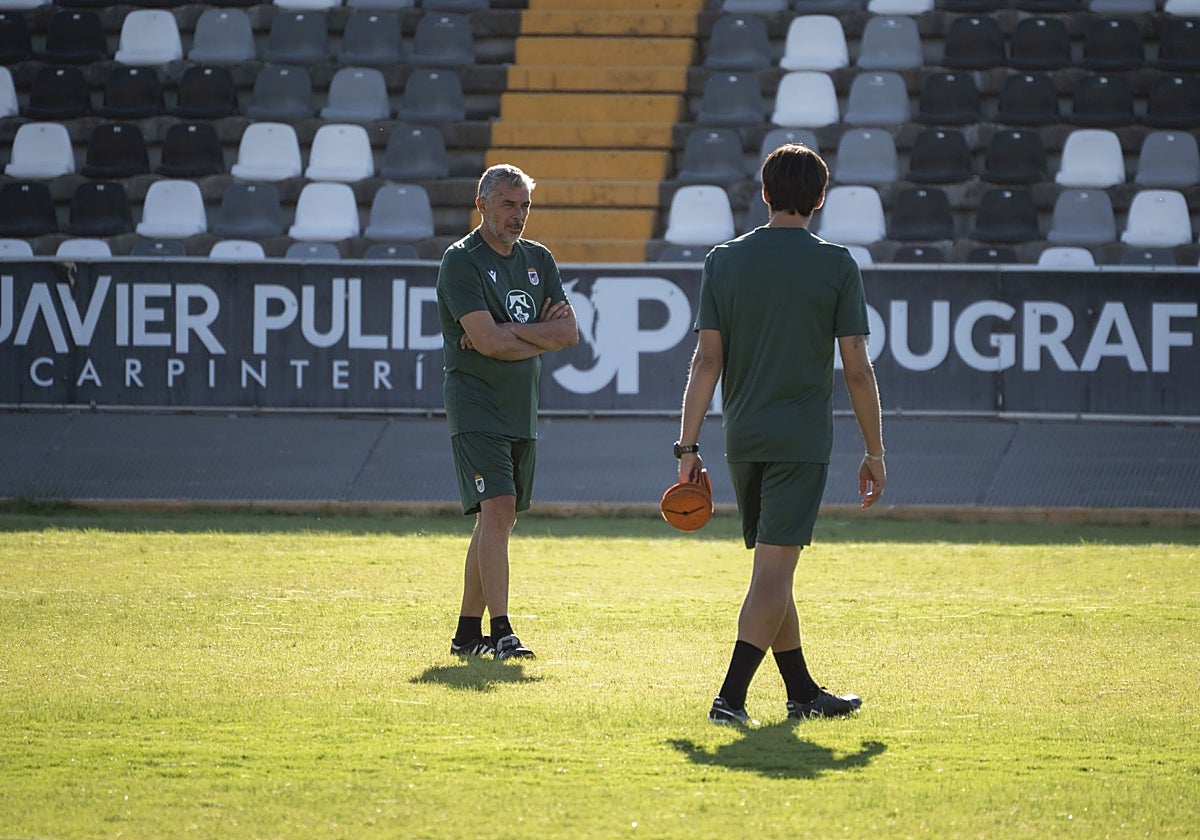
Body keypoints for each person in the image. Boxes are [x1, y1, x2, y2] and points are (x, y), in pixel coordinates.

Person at [674, 143, 886, 725]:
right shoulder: (837, 264)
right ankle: (730, 699)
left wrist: (687, 447)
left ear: (765, 194)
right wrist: (874, 452)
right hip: (800, 441)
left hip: (742, 438)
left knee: (773, 566)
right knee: (774, 571)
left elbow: (706, 361)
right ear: (820, 199)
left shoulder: (724, 259)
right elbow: (858, 368)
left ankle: (802, 692)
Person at [436, 164, 578, 661]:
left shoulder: (539, 259)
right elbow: (498, 343)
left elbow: (568, 335)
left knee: (499, 519)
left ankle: (465, 634)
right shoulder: (461, 262)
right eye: (509, 205)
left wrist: (503, 336)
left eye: (525, 205)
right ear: (483, 205)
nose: (519, 215)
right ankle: (502, 632)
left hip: (522, 406)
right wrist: (528, 336)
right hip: (476, 405)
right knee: (497, 511)